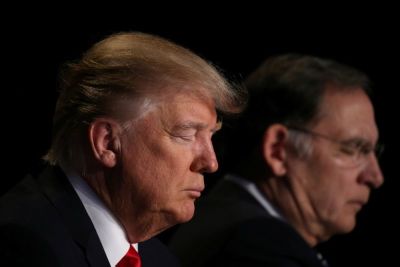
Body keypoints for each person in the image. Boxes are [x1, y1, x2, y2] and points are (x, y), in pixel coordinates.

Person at [0, 32, 244, 266]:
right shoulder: (25, 244)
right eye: (187, 134)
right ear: (107, 143)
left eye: (211, 136)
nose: (210, 162)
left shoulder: (159, 259)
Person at [169, 54, 384, 267]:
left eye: (373, 151)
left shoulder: (224, 219)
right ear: (277, 150)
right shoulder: (256, 247)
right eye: (354, 148)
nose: (375, 177)